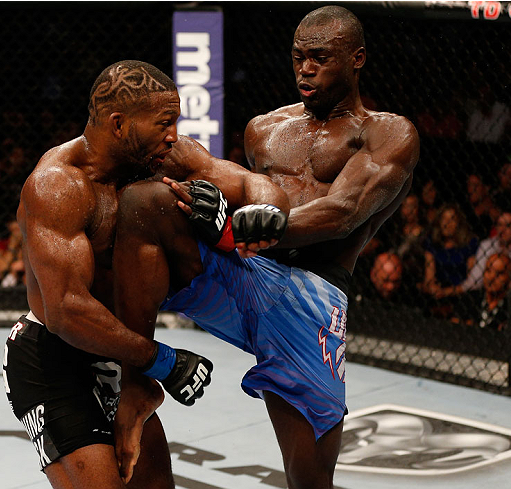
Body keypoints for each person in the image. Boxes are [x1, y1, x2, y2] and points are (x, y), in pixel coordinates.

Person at [112, 6, 419, 488]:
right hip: (246, 272)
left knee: (310, 480)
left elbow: (341, 213)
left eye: (320, 58)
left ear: (357, 59)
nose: (305, 69)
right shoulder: (265, 129)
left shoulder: (386, 132)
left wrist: (237, 229)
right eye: (298, 57)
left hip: (313, 295)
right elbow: (239, 188)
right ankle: (136, 379)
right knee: (145, 203)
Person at [2, 60, 289, 489]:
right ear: (119, 124)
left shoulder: (164, 157)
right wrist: (162, 361)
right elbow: (66, 310)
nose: (173, 135)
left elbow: (253, 184)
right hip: (53, 358)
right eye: (163, 123)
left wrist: (261, 215)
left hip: (120, 356)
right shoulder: (58, 185)